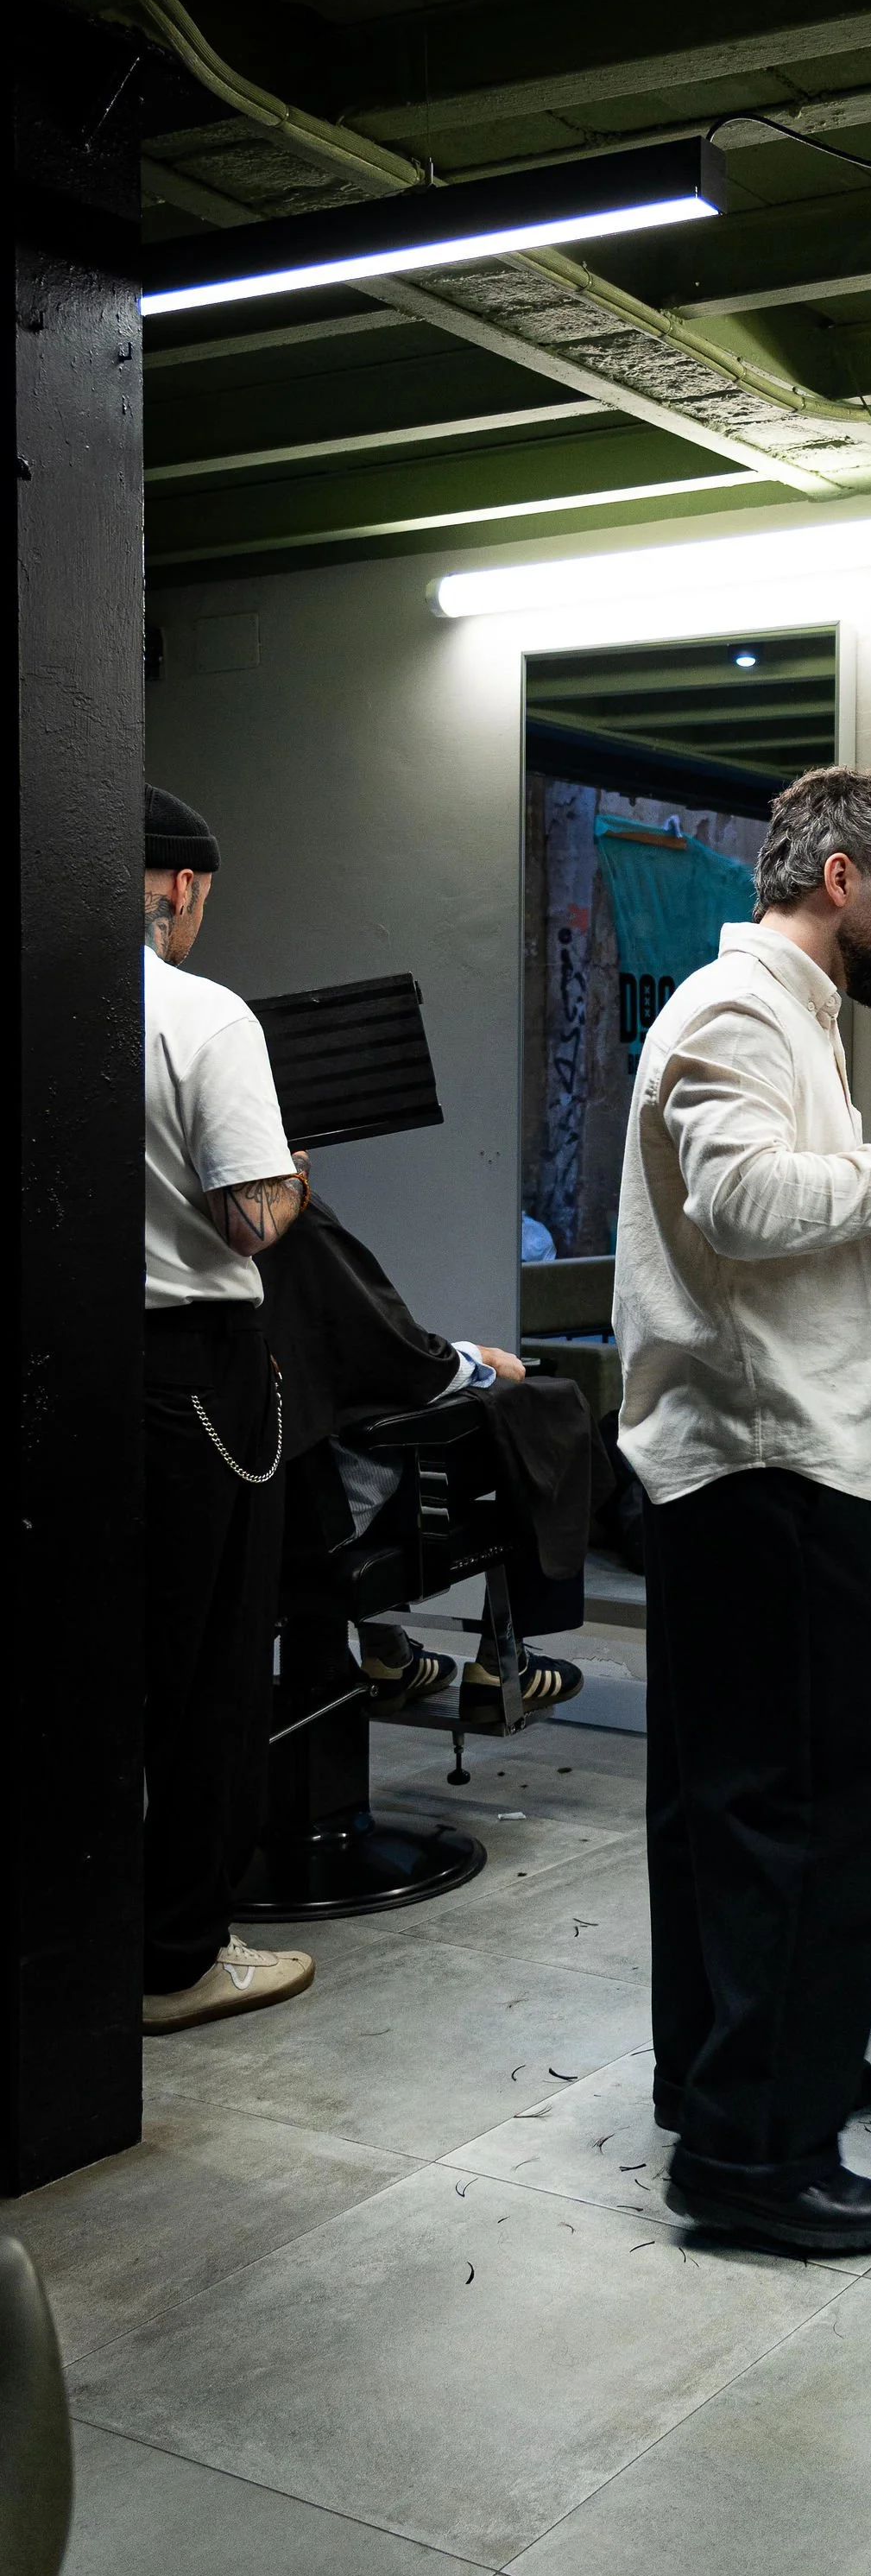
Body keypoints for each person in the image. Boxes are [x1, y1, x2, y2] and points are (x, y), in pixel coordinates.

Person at [615, 765, 871, 2259]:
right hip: (777, 1464)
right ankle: (756, 2163)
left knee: (731, 1807)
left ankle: (729, 2087)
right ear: (839, 879)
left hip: (770, 1456)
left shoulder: (796, 1022)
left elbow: (804, 1230)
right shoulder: (738, 1011)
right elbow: (744, 1210)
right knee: (809, 1815)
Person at [141, 787, 316, 2032]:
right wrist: (296, 1180)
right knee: (205, 1669)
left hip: (64, 1363)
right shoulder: (200, 1013)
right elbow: (245, 1218)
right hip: (188, 1370)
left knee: (88, 1666)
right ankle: (179, 1955)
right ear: (184, 887)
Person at [253, 1187, 592, 1716]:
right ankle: (503, 1663)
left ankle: (389, 1656)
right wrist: (477, 1358)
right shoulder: (289, 1216)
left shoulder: (156, 1222)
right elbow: (399, 1362)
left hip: (244, 1501)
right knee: (547, 1420)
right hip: (321, 1513)